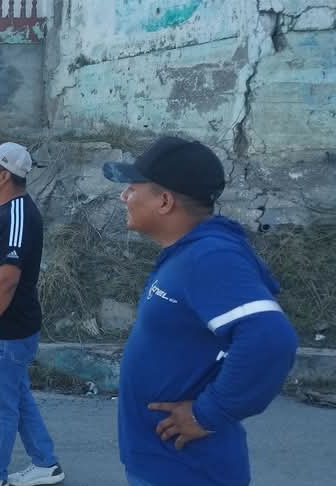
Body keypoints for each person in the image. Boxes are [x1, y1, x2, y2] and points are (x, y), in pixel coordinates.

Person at [103, 136, 298, 486]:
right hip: (163, 463)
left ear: (164, 201)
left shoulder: (210, 256)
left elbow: (270, 339)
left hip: (188, 470)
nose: (123, 196)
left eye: (132, 188)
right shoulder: (189, 253)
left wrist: (208, 413)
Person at [0, 142, 64, 486]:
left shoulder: (17, 214)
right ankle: (46, 464)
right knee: (17, 398)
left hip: (8, 330)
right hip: (7, 329)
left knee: (0, 406)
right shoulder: (7, 211)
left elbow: (7, 279)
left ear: (4, 175)